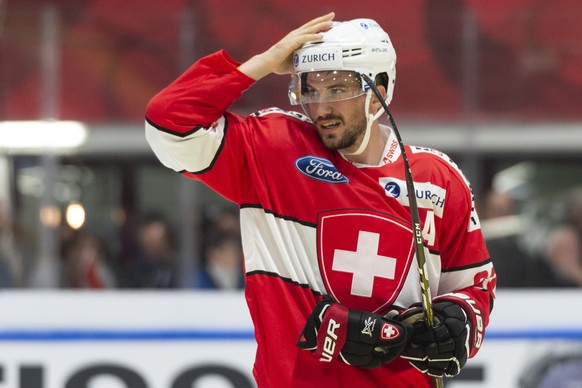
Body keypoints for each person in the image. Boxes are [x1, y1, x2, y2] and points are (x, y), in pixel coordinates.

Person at [145, 13, 496, 387]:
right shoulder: (274, 148)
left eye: (337, 89)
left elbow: (474, 288)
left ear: (379, 88)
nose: (320, 107)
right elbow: (168, 125)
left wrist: (456, 322)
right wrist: (262, 63)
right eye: (310, 89)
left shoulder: (438, 179)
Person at [118, 213, 179, 288]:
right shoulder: (131, 272)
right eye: (150, 240)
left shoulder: (178, 269)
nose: (154, 245)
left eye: (158, 240)